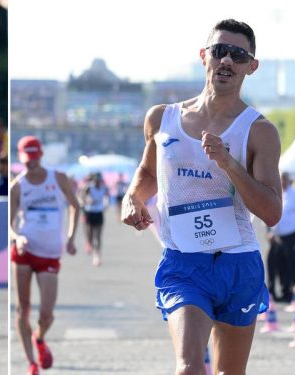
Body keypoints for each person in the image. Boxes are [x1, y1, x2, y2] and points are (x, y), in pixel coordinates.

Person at [120, 19, 282, 375]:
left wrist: (228, 163)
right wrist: (131, 198)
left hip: (238, 262)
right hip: (184, 263)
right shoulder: (162, 118)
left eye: (238, 55)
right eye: (219, 51)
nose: (227, 61)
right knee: (189, 367)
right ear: (204, 56)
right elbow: (147, 174)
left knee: (229, 373)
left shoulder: (259, 131)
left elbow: (271, 212)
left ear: (251, 66)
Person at [10, 136, 80, 375]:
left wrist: (71, 238)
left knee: (47, 314)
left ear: (40, 155)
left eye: (34, 158)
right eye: (26, 159)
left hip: (50, 254)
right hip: (25, 252)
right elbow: (10, 224)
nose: (31, 163)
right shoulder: (17, 186)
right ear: (21, 159)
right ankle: (31, 363)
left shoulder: (57, 178)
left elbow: (75, 206)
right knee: (23, 308)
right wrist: (17, 237)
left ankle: (39, 338)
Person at [266, 173, 295, 303]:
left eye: (284, 180)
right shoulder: (278, 193)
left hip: (293, 234)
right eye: (280, 180)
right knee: (281, 264)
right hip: (280, 236)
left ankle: (294, 293)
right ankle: (285, 292)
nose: (282, 182)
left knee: (292, 263)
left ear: (288, 181)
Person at [81, 172, 109, 267]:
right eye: (96, 180)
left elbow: (106, 197)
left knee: (98, 236)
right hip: (90, 213)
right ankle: (89, 244)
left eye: (98, 180)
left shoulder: (104, 188)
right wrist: (87, 201)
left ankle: (97, 256)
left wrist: (106, 204)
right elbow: (81, 198)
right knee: (90, 236)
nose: (97, 182)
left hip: (99, 213)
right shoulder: (88, 187)